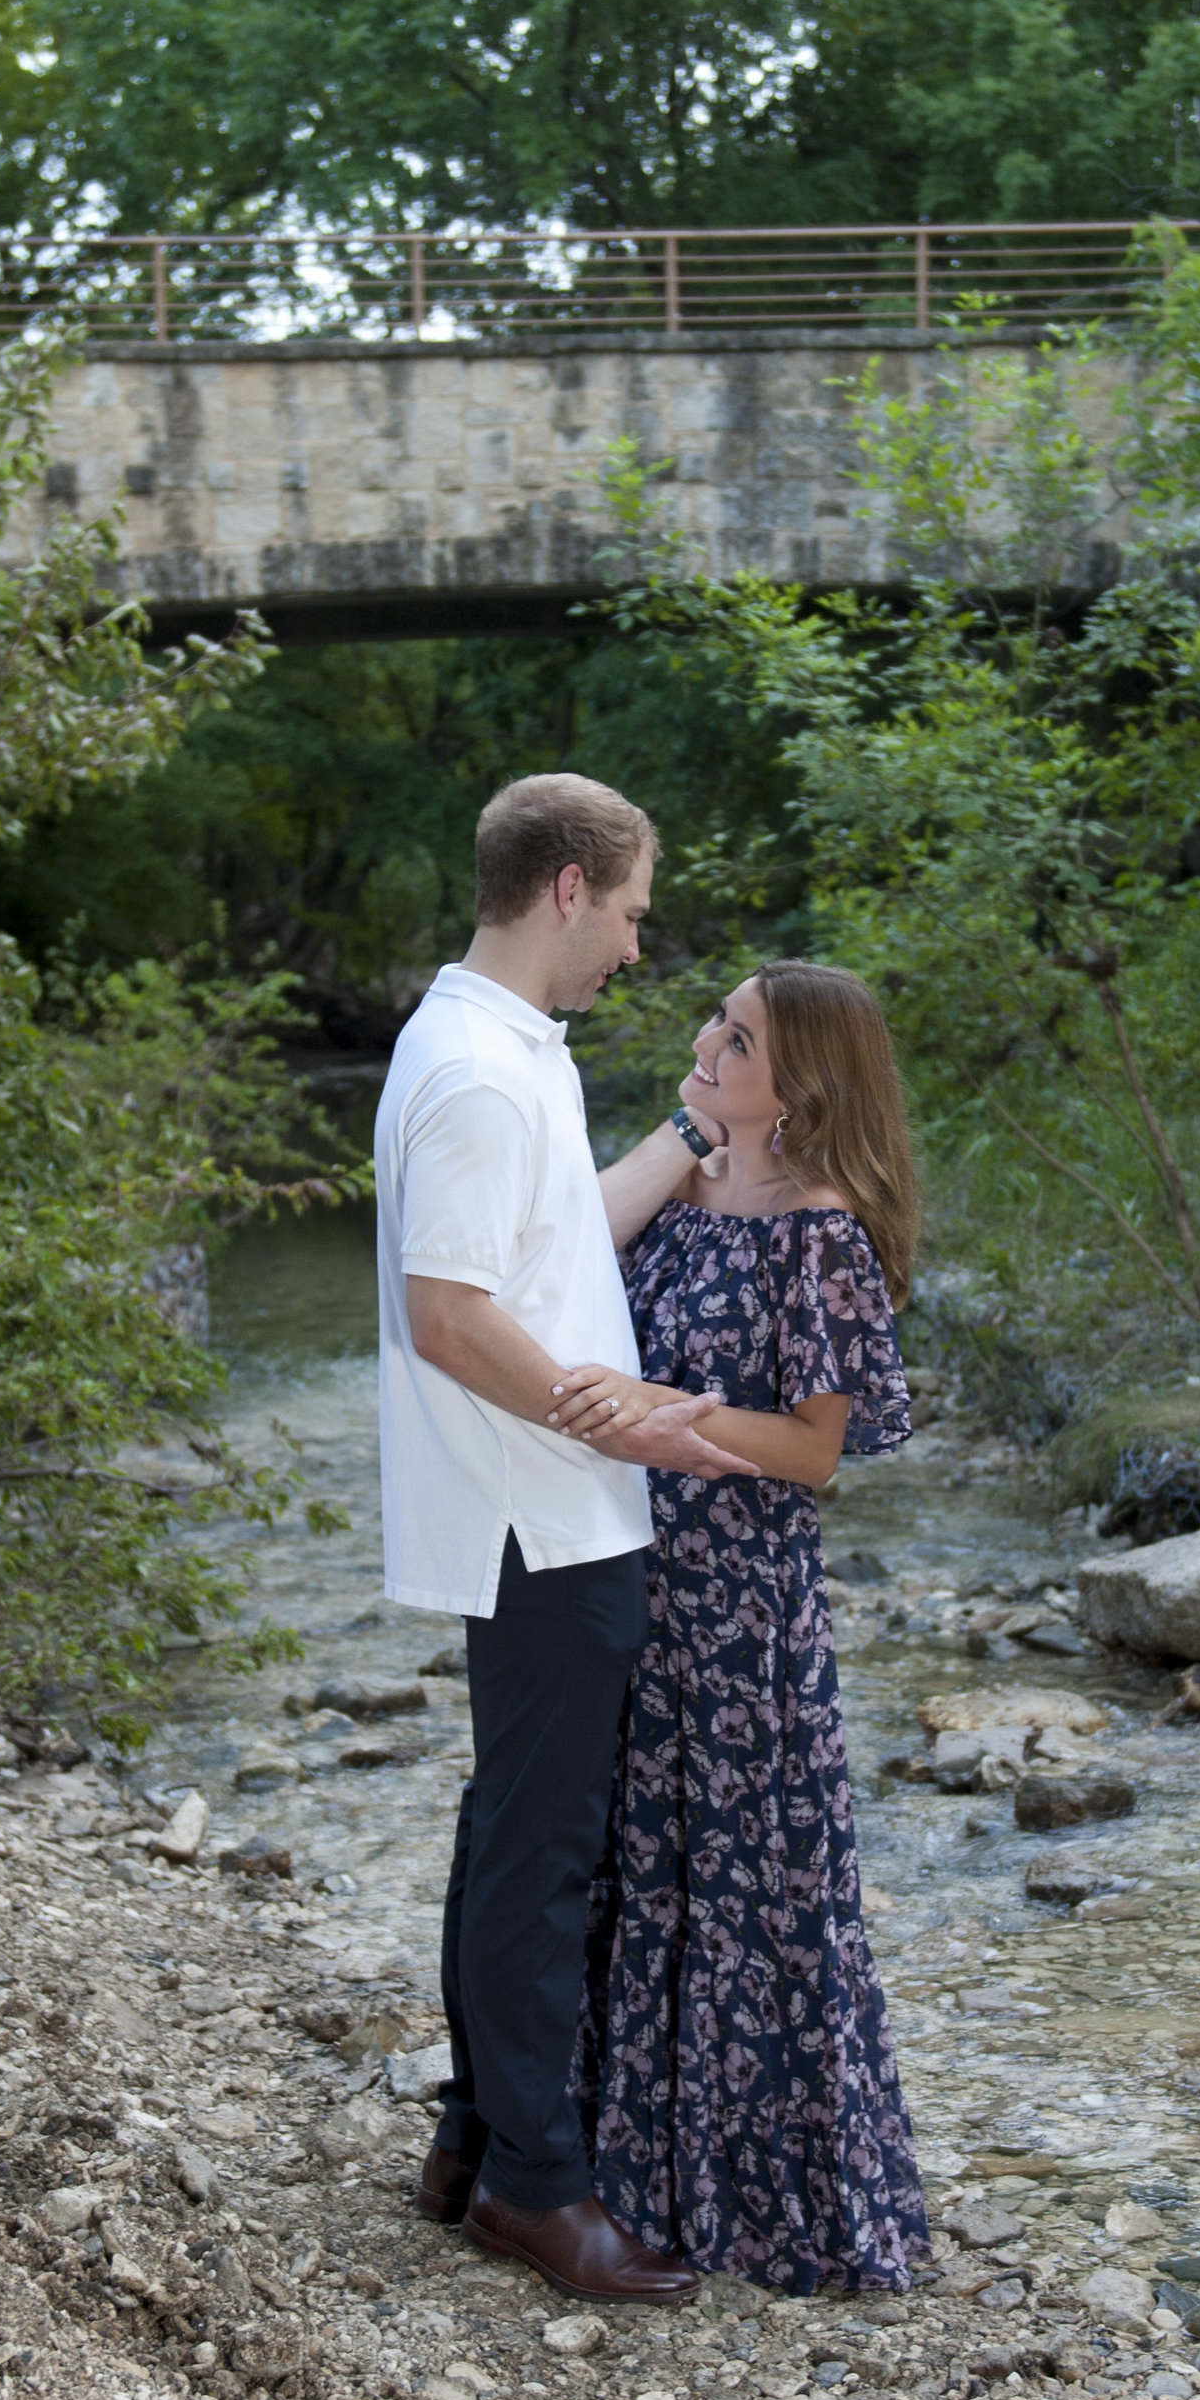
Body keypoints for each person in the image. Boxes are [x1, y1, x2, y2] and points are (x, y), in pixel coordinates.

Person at [377, 772, 748, 2305]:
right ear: (569, 891)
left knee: (509, 1832)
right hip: (541, 1517)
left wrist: (688, 1130)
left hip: (551, 1509)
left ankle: (475, 2138)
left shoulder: (501, 1046)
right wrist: (628, 1424)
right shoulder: (472, 1067)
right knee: (543, 1859)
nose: (639, 951)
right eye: (636, 913)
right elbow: (448, 1311)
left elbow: (544, 1244)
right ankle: (538, 2186)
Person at [550, 962, 932, 2294]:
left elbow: (816, 1453)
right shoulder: (683, 1191)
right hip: (627, 1581)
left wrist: (675, 1415)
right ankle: (623, 2177)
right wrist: (686, 1131)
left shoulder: (821, 1231)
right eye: (715, 1018)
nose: (707, 1041)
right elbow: (562, 1248)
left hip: (739, 1613)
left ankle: (768, 2208)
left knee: (744, 1894)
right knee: (635, 1875)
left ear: (807, 1081)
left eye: (741, 1037)